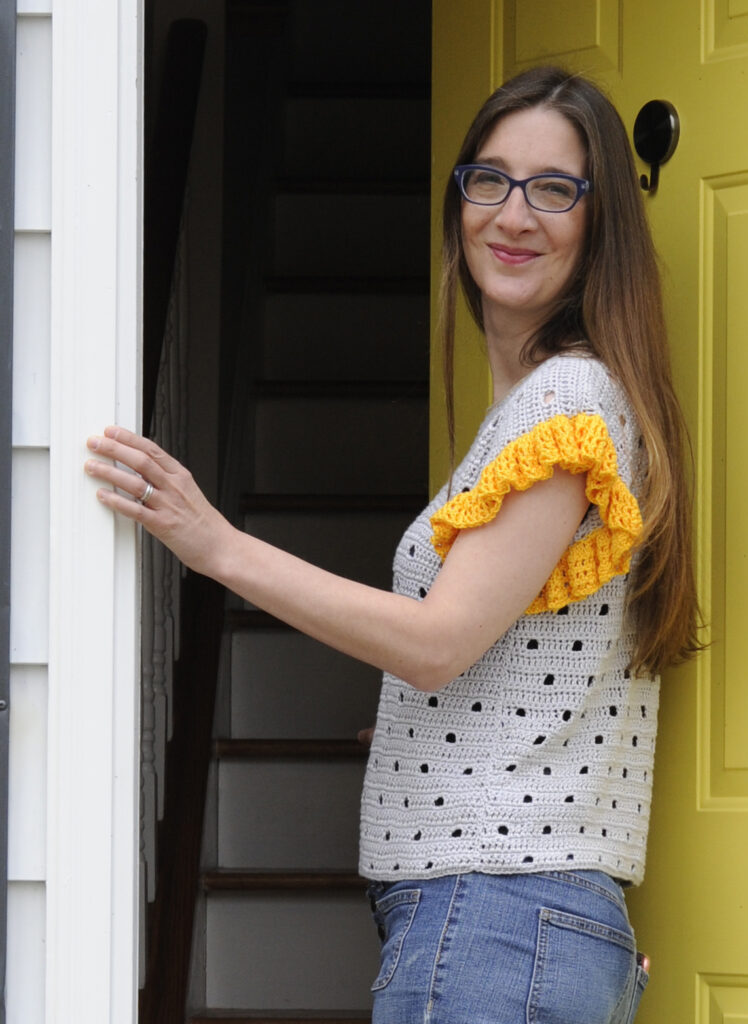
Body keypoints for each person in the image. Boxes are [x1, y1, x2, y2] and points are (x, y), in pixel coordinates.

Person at [85, 65, 701, 1024]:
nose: (513, 213)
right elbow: (499, 654)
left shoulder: (564, 403)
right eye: (488, 180)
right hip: (513, 923)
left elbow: (436, 641)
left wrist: (215, 545)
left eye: (554, 188)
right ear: (459, 202)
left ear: (600, 221)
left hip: (497, 917)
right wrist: (426, 736)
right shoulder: (549, 406)